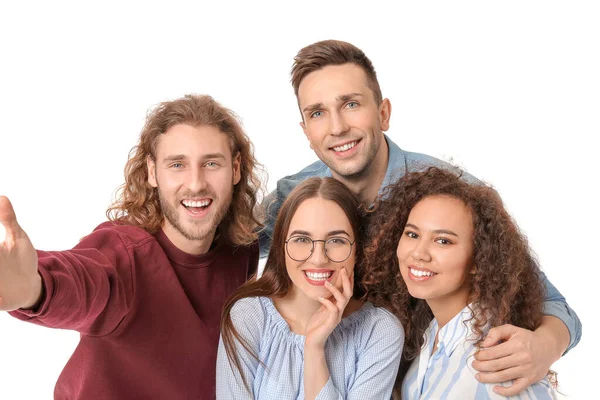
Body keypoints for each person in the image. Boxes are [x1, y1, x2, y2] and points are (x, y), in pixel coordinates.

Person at [259, 39, 581, 396]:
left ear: (383, 113)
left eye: (350, 104)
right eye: (317, 112)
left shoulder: (446, 194)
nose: (336, 128)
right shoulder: (298, 195)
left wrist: (544, 346)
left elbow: (549, 301)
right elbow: (220, 241)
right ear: (305, 130)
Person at [0, 94, 262, 399]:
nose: (195, 183)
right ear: (152, 172)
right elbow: (83, 279)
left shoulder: (241, 250)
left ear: (235, 168)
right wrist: (34, 289)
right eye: (177, 164)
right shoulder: (124, 255)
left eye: (211, 163)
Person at [362, 166, 557, 399]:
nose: (419, 253)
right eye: (412, 234)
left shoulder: (497, 365)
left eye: (443, 241)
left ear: (478, 258)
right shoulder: (431, 338)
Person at [217, 177, 403, 399]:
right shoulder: (249, 316)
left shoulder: (380, 331)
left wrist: (314, 350)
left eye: (336, 241)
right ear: (281, 245)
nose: (317, 259)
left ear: (358, 250)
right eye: (302, 239)